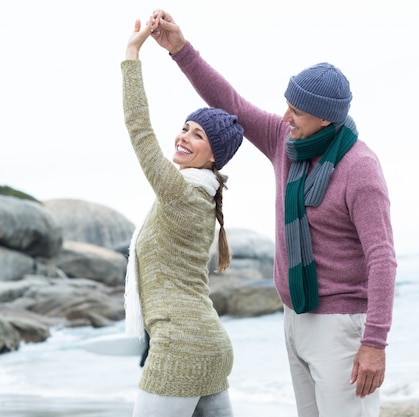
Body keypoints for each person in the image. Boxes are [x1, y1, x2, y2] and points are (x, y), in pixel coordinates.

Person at [148, 10, 397, 417]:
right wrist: (179, 49)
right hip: (295, 316)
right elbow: (231, 104)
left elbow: (382, 257)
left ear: (326, 119)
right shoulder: (286, 142)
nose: (285, 117)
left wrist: (375, 343)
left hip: (341, 326)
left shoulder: (360, 169)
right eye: (287, 106)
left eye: (296, 112)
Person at [122, 18, 244, 417]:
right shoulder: (203, 196)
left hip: (180, 348)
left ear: (213, 156)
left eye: (197, 136)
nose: (183, 137)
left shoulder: (181, 193)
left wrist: (132, 55)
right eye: (185, 128)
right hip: (209, 346)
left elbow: (139, 130)